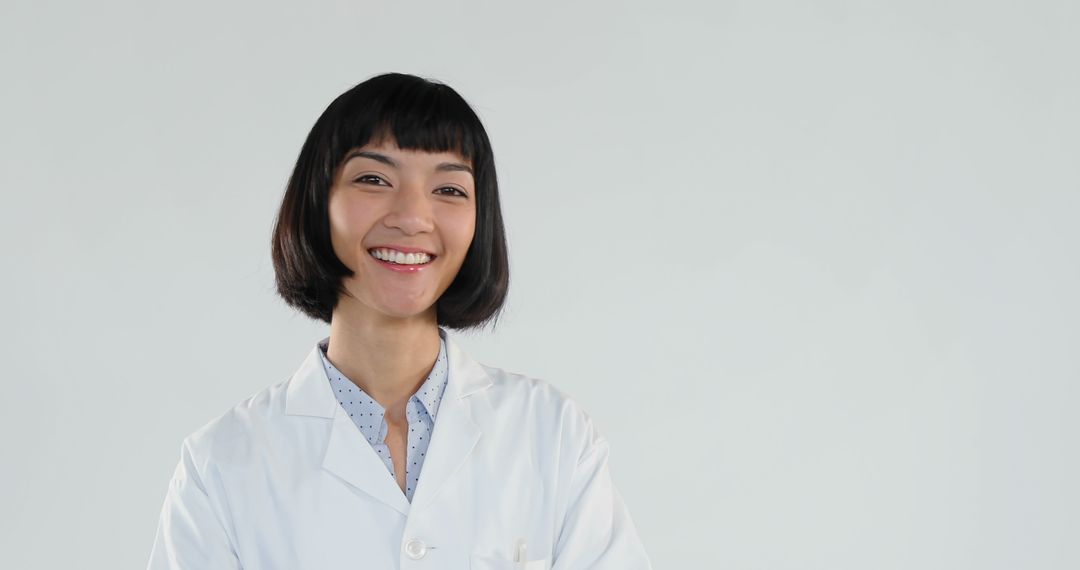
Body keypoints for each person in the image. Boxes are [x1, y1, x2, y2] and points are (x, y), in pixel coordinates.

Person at [146, 72, 652, 569]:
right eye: (374, 179)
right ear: (317, 203)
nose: (412, 217)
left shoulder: (551, 435)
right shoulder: (223, 463)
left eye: (450, 190)